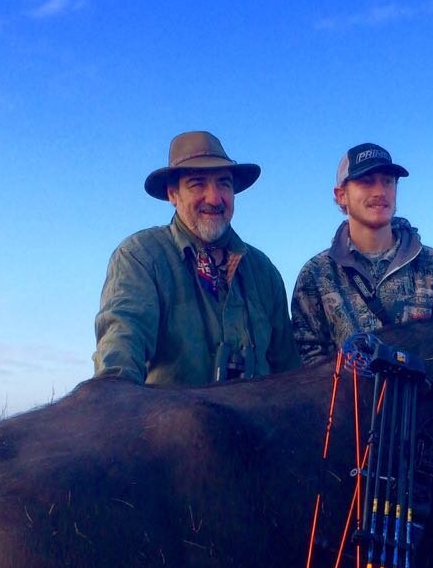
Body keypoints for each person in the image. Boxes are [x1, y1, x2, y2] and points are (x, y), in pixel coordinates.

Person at [93, 130, 300, 385]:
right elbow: (121, 344)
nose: (214, 198)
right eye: (197, 184)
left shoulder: (263, 270)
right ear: (172, 194)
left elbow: (289, 370)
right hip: (172, 424)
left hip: (259, 423)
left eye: (224, 183)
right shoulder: (140, 257)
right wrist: (113, 391)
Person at [291, 142, 433, 367]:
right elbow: (308, 361)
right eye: (366, 182)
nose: (380, 192)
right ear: (341, 196)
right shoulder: (316, 274)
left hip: (425, 399)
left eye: (388, 182)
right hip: (349, 400)